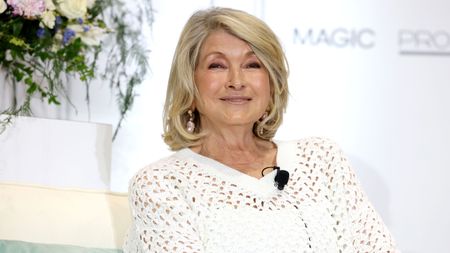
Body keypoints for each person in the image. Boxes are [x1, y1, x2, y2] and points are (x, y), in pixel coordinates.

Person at [123, 7, 399, 253]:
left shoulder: (322, 158)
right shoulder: (160, 184)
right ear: (189, 84)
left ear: (272, 83)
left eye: (252, 65)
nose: (236, 81)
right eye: (217, 65)